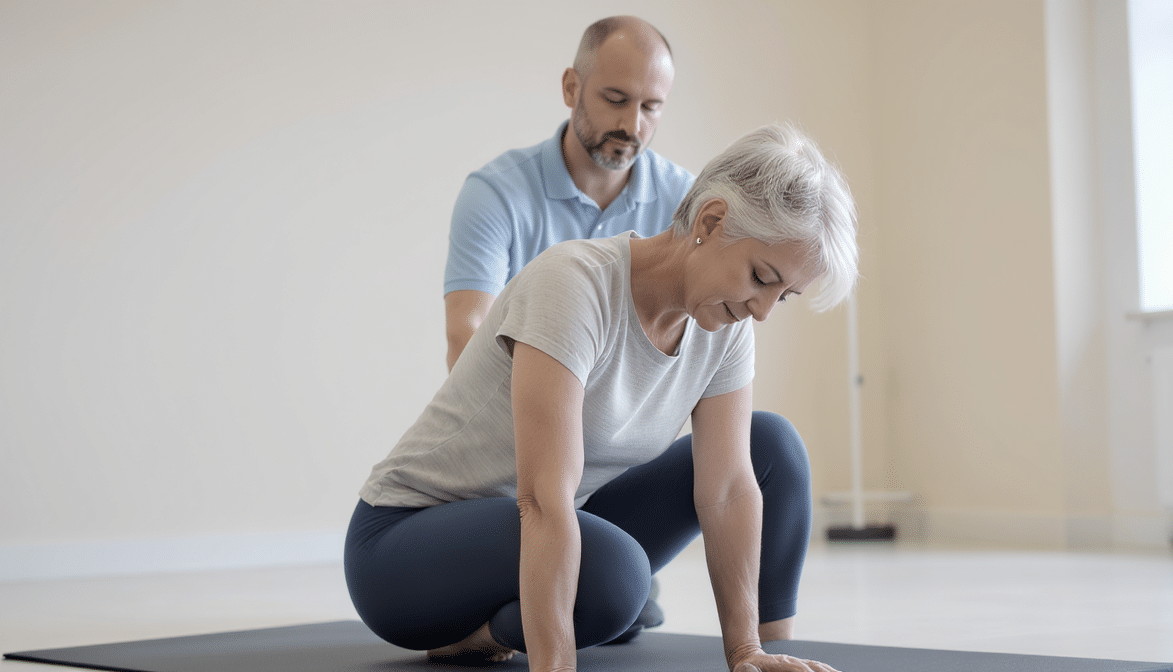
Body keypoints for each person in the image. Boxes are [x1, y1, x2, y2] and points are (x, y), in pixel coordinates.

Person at [345, 123, 857, 672]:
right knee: (617, 579)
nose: (762, 309)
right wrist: (555, 666)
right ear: (711, 221)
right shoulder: (573, 285)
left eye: (785, 296)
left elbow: (728, 488)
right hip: (403, 546)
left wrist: (745, 653)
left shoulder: (727, 328)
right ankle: (477, 629)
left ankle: (768, 650)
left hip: (550, 520)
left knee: (771, 445)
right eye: (761, 277)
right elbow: (542, 498)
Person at [444, 16, 695, 371]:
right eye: (615, 99)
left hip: (629, 424)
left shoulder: (686, 203)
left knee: (768, 429)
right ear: (571, 88)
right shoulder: (495, 193)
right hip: (518, 418)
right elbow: (465, 338)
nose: (632, 126)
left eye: (650, 107)